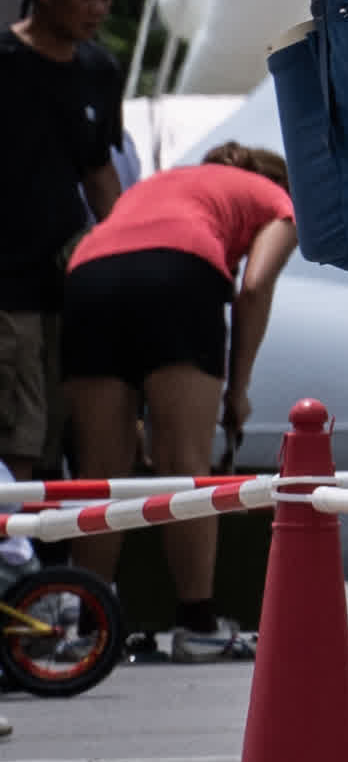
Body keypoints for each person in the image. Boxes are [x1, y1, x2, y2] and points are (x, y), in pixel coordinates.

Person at [58, 141, 295, 657]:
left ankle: (89, 630)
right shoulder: (280, 201)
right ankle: (199, 624)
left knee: (100, 472)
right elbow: (253, 288)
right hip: (178, 275)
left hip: (89, 275)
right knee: (184, 464)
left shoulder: (159, 184)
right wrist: (237, 389)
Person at [0, 0, 122, 475]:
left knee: (54, 431)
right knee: (19, 432)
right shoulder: (5, 62)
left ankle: (39, 555)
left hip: (70, 281)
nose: (98, 9)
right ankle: (14, 557)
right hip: (7, 284)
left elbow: (99, 172)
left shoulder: (99, 71)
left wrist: (122, 251)